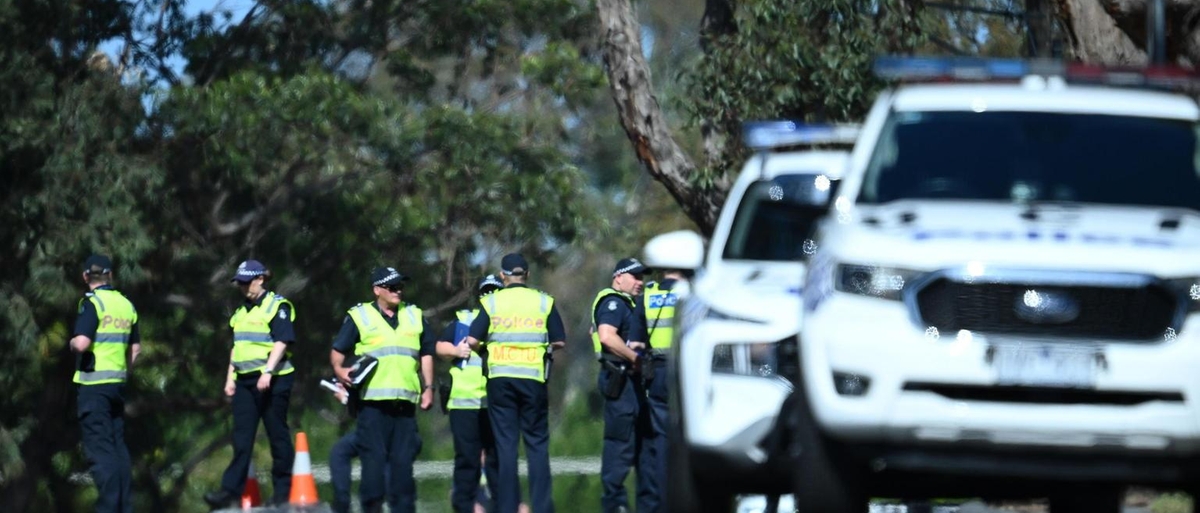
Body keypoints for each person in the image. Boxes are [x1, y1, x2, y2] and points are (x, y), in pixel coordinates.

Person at [464, 253, 566, 513]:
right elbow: (559, 341)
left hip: (500, 381)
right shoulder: (543, 301)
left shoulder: (492, 302)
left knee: (506, 447)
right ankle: (543, 508)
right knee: (537, 445)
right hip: (533, 379)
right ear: (527, 275)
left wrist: (488, 350)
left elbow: (473, 341)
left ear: (502, 276)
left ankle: (507, 508)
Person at [330, 266, 436, 513]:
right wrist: (340, 370)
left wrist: (429, 388)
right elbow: (337, 352)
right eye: (392, 287)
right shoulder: (360, 316)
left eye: (400, 286)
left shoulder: (415, 315)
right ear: (377, 290)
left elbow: (427, 353)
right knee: (373, 472)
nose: (398, 291)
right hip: (373, 408)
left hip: (404, 408)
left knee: (402, 473)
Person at [205, 260, 297, 508]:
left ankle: (282, 493)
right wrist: (229, 378)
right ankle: (229, 491)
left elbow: (282, 341)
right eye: (240, 284)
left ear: (261, 279)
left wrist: (268, 371)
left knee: (277, 434)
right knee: (241, 438)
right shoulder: (240, 313)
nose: (244, 288)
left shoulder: (277, 307)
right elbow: (237, 347)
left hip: (273, 380)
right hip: (245, 382)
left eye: (247, 282)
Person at [70, 254, 140, 513]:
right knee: (118, 448)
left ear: (86, 277)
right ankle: (124, 507)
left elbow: (82, 342)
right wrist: (123, 373)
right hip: (116, 386)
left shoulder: (92, 303)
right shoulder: (125, 304)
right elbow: (136, 349)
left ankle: (108, 508)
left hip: (93, 386)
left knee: (100, 451)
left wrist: (72, 343)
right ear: (110, 275)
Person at [638, 230, 700, 510]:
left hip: (657, 374)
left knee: (662, 442)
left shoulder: (648, 294)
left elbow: (636, 343)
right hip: (690, 373)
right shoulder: (698, 293)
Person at [592, 257, 656, 513]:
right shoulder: (613, 303)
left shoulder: (629, 304)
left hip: (632, 385)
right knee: (619, 449)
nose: (640, 282)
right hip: (621, 382)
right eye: (635, 277)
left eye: (643, 277)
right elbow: (606, 336)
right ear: (619, 277)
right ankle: (615, 506)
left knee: (642, 450)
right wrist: (636, 360)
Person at [437, 275, 503, 513]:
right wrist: (455, 349)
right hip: (464, 404)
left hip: (495, 404)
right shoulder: (464, 321)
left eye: (495, 291)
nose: (490, 295)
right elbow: (439, 346)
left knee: (497, 461)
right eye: (486, 291)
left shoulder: (507, 323)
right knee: (467, 461)